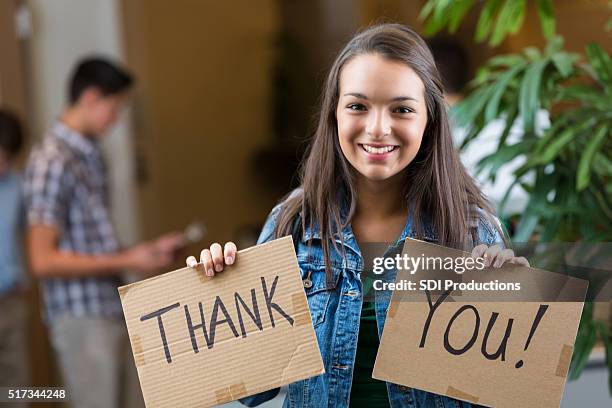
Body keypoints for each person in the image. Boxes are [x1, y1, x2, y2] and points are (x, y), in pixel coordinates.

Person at [186, 24, 529, 407]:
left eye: (401, 109)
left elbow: (505, 395)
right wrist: (217, 294)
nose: (378, 128)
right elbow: (254, 389)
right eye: (358, 106)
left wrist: (513, 307)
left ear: (430, 119)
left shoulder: (472, 230)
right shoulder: (294, 223)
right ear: (333, 114)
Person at [23, 57, 184, 408]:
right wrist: (127, 258)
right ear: (92, 97)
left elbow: (91, 242)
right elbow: (42, 259)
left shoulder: (90, 156)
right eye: (116, 107)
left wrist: (142, 254)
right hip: (81, 314)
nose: (117, 119)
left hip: (112, 305)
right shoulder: (51, 160)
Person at [0, 109, 29, 398]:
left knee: (15, 387)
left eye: (8, 157)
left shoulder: (17, 186)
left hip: (10, 296)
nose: (2, 164)